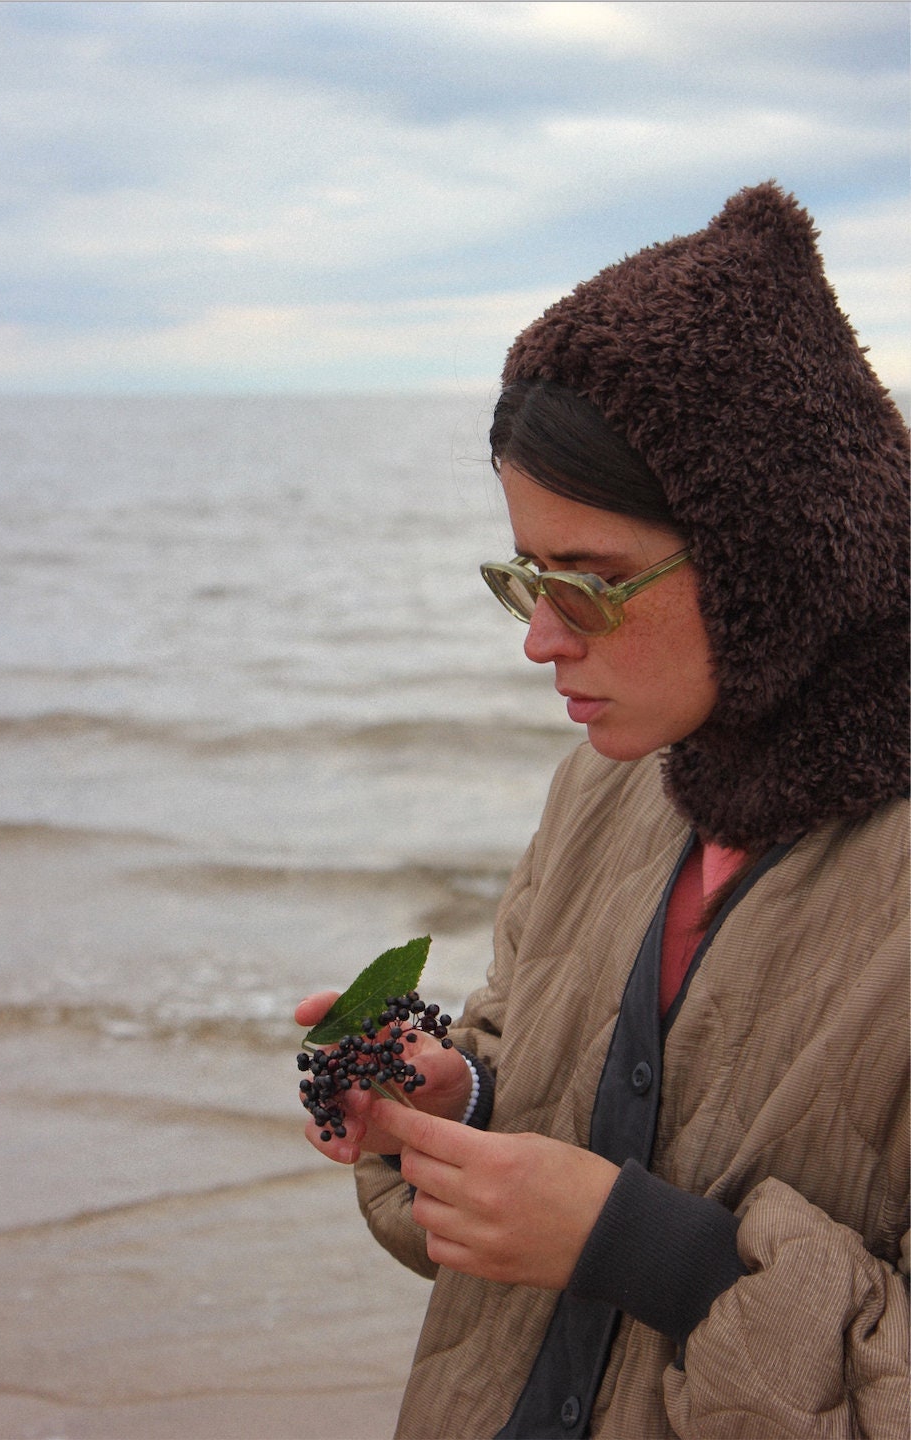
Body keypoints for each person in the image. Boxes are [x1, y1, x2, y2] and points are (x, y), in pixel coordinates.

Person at [295, 182, 909, 1438]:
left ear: (768, 554)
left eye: (595, 583)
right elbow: (540, 1081)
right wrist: (447, 1103)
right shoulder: (616, 778)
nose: (539, 640)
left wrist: (651, 1254)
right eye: (526, 575)